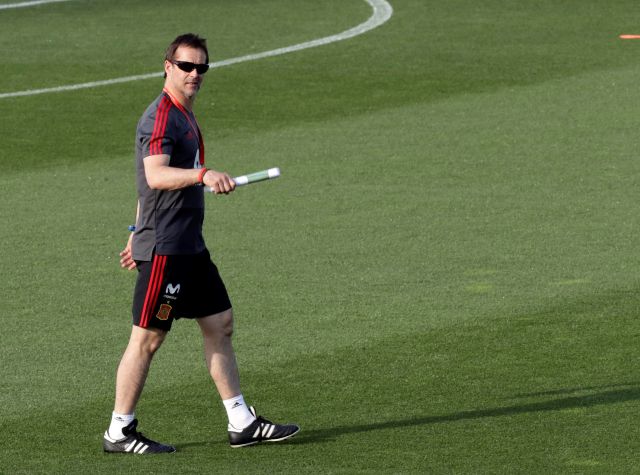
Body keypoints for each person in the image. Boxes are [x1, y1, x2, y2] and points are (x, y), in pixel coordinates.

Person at [103, 33, 299, 454]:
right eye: (187, 66)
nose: (195, 74)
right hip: (166, 254)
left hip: (189, 247)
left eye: (202, 68)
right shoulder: (160, 119)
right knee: (149, 337)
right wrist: (203, 175)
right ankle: (119, 431)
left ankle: (241, 422)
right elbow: (155, 176)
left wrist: (134, 231)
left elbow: (146, 191)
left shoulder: (185, 114)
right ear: (167, 66)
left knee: (219, 323)